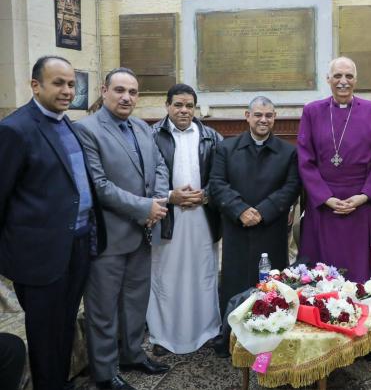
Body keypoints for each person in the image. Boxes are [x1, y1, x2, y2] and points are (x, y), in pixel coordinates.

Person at [0, 56, 106, 390]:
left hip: (77, 246)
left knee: (63, 326)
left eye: (72, 84)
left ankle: (59, 382)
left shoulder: (68, 124)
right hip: (39, 256)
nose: (67, 91)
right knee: (45, 335)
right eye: (58, 83)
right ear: (36, 85)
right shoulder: (14, 130)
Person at [75, 67, 170, 390]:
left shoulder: (142, 128)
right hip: (107, 236)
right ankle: (104, 372)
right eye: (119, 90)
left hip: (142, 233)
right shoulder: (86, 130)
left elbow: (159, 165)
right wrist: (144, 208)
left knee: (135, 301)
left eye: (132, 91)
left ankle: (131, 354)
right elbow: (98, 185)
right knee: (103, 309)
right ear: (104, 91)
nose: (126, 97)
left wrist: (157, 203)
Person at [297, 57, 371, 282]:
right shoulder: (312, 111)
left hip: (363, 204)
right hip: (323, 205)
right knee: (322, 273)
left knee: (363, 273)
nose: (343, 81)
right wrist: (325, 198)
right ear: (328, 79)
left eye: (349, 76)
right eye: (338, 76)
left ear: (356, 80)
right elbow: (305, 160)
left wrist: (362, 197)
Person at [147, 84, 223, 356]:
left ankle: (207, 331)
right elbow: (142, 180)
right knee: (166, 276)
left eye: (189, 105)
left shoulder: (211, 137)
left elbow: (222, 178)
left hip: (202, 216)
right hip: (167, 217)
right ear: (167, 106)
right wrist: (170, 196)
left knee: (203, 273)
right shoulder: (152, 135)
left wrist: (205, 195)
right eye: (178, 105)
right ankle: (163, 336)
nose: (183, 110)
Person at [209, 96, 300, 316]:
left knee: (271, 286)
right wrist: (240, 210)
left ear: (275, 118)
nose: (263, 120)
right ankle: (229, 336)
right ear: (247, 116)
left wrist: (262, 211)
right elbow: (217, 184)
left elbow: (292, 187)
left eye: (269, 115)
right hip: (236, 228)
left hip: (271, 228)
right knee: (235, 283)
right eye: (258, 114)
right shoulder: (226, 148)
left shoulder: (288, 152)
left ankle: (272, 335)